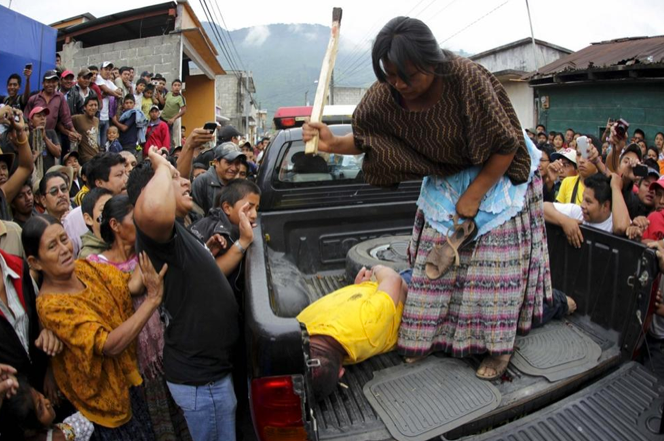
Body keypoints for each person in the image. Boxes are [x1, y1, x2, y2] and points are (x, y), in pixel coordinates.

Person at [302, 17, 551, 380]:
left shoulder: (468, 79)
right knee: (432, 271)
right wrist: (333, 142)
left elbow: (506, 145)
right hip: (448, 177)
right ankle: (430, 338)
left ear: (433, 63)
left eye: (409, 76)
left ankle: (498, 349)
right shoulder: (387, 93)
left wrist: (475, 194)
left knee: (491, 273)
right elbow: (368, 135)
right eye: (391, 75)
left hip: (498, 172)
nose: (400, 85)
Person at [129, 143, 239, 441]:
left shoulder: (176, 232)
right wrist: (162, 166)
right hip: (203, 384)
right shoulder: (155, 233)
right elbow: (152, 209)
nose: (187, 181)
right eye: (175, 179)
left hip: (210, 376)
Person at [25, 214, 166, 439]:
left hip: (126, 387)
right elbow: (109, 345)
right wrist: (152, 301)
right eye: (52, 246)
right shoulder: (52, 305)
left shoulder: (83, 268)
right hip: (102, 410)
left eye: (64, 239)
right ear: (35, 262)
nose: (63, 249)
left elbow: (127, 285)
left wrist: (149, 238)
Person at [88, 194, 192, 440]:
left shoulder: (144, 253)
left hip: (168, 354)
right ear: (114, 225)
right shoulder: (95, 267)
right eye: (135, 220)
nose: (141, 225)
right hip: (132, 365)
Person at [297, 265, 407, 398]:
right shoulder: (301, 322)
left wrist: (375, 269)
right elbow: (394, 281)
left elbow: (394, 279)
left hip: (395, 289)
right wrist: (370, 277)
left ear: (341, 373)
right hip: (396, 294)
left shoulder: (366, 327)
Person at [0, 243, 63, 440]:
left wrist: (50, 368)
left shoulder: (18, 267)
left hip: (46, 388)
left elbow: (39, 316)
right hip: (17, 410)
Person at [62, 152, 127, 257]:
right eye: (119, 175)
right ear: (99, 183)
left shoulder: (131, 209)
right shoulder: (73, 220)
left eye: (125, 173)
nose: (126, 179)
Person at [543, 173, 630, 248]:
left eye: (588, 202)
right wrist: (565, 221)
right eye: (583, 199)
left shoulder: (616, 220)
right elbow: (542, 208)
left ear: (605, 206)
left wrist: (616, 187)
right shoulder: (577, 212)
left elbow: (621, 228)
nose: (582, 205)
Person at [3, 377, 94, 441]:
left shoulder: (47, 432)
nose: (47, 402)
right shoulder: (59, 438)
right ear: (29, 431)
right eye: (40, 409)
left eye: (40, 395)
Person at [24, 71, 80, 150]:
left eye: (53, 82)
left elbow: (66, 117)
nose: (51, 84)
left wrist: (74, 131)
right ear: (43, 83)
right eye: (48, 82)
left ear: (57, 83)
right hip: (34, 135)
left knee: (50, 158)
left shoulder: (60, 97)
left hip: (50, 135)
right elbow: (26, 118)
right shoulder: (34, 99)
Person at [0, 107, 35, 220]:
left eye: (4, 167)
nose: (1, 173)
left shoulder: (3, 194)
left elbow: (26, 167)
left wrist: (20, 131)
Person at [191, 144, 246, 215]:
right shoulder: (202, 182)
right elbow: (195, 214)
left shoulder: (239, 185)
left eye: (237, 163)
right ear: (216, 162)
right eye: (229, 163)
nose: (234, 168)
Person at [78, 188, 113, 259]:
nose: (111, 213)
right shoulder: (87, 257)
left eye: (113, 208)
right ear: (88, 219)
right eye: (103, 209)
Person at [95, 62, 123, 149]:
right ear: (101, 70)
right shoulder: (98, 78)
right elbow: (106, 90)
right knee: (97, 144)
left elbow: (119, 91)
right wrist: (113, 94)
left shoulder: (108, 81)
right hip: (98, 116)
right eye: (105, 69)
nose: (108, 71)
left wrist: (111, 93)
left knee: (104, 144)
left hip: (106, 117)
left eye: (109, 70)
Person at [72, 96, 100, 164]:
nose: (93, 108)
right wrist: (73, 133)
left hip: (96, 156)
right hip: (85, 159)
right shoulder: (77, 118)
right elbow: (63, 123)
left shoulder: (97, 120)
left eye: (95, 105)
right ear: (85, 107)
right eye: (91, 105)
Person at [161, 79, 186, 147]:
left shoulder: (181, 98)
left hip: (169, 121)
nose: (177, 87)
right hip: (161, 118)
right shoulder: (168, 94)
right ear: (172, 87)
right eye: (175, 85)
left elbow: (183, 110)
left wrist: (173, 119)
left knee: (168, 139)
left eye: (178, 85)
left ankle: (171, 154)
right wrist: (158, 93)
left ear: (180, 87)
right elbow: (163, 102)